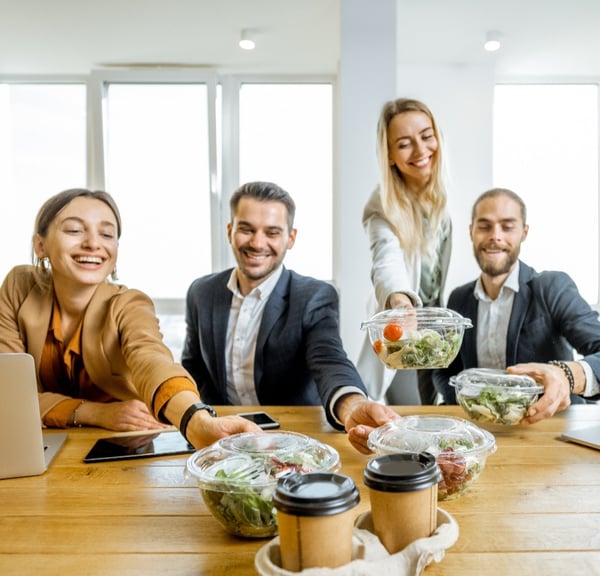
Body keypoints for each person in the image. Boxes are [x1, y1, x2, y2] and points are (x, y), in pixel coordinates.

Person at [0, 188, 261, 448]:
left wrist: (196, 421)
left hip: (120, 447)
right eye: (74, 230)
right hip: (36, 445)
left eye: (106, 234)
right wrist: (96, 413)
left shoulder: (129, 303)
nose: (93, 243)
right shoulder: (18, 287)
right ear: (40, 245)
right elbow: (8, 394)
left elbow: (153, 362)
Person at [181, 181, 397, 452]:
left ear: (291, 238)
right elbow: (193, 369)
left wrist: (352, 404)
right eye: (246, 229)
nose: (257, 243)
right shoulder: (201, 293)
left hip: (292, 442)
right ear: (230, 231)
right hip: (220, 441)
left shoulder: (314, 296)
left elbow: (329, 360)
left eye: (272, 232)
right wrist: (199, 418)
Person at [433, 188, 600, 422]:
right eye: (484, 226)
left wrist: (567, 375)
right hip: (480, 430)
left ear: (524, 232)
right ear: (471, 232)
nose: (495, 236)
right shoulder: (458, 299)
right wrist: (470, 403)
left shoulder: (553, 287)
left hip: (549, 430)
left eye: (507, 226)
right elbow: (444, 370)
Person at [356, 98, 452, 405]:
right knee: (408, 413)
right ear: (391, 156)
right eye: (404, 144)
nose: (421, 151)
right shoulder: (381, 203)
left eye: (426, 136)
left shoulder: (452, 192)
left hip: (448, 332)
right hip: (408, 329)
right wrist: (399, 301)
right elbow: (386, 257)